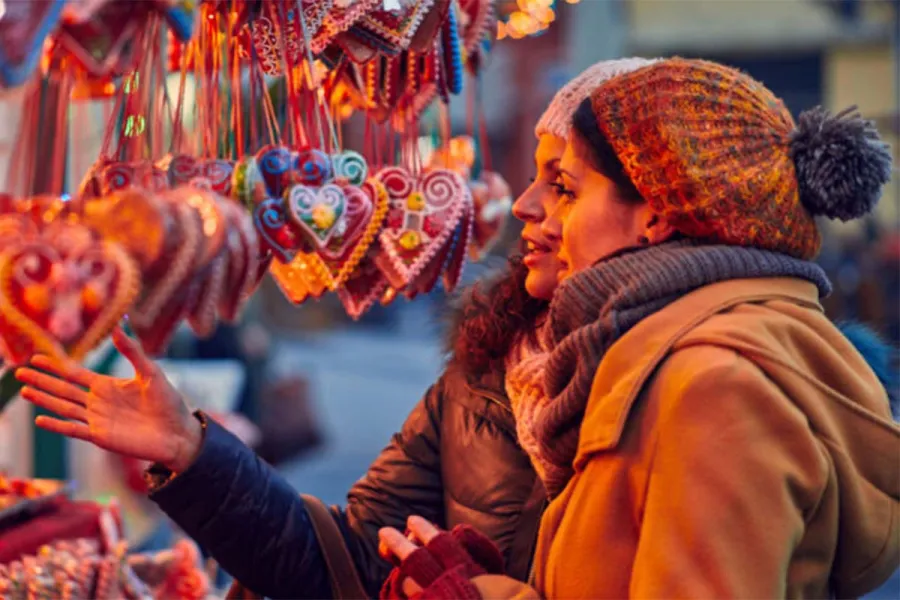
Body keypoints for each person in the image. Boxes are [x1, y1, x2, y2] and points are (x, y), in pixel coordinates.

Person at [13, 58, 658, 600]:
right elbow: (344, 562)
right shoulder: (489, 371)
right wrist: (191, 450)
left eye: (565, 186)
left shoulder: (700, 382)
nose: (525, 205)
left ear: (655, 214)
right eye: (536, 178)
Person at [376, 57, 900, 599]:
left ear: (655, 215)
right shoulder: (657, 361)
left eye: (568, 190)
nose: (540, 211)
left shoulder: (716, 389)